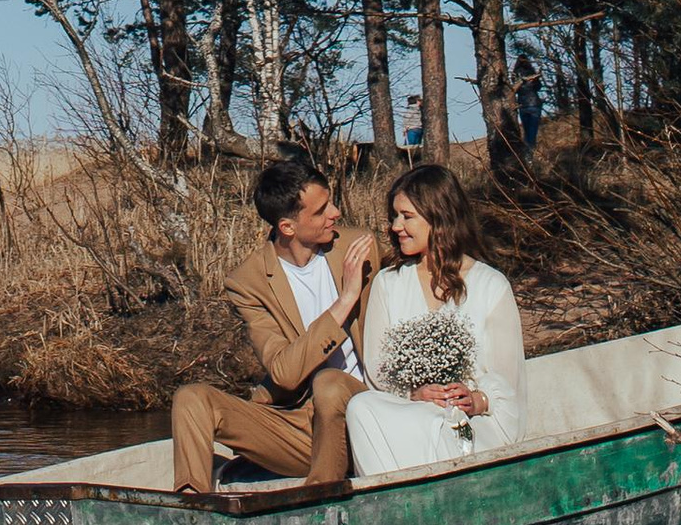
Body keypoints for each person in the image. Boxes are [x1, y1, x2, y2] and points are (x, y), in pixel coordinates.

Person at [169, 154, 374, 496]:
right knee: (191, 398)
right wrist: (345, 301)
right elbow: (284, 373)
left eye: (331, 202)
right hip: (301, 427)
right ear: (288, 227)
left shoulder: (360, 247)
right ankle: (193, 509)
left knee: (330, 383)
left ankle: (319, 500)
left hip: (364, 412)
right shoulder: (248, 282)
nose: (335, 213)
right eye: (322, 210)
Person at [345, 160, 525, 477]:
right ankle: (392, 500)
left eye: (407, 216)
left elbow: (509, 384)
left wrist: (475, 400)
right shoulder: (389, 284)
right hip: (408, 414)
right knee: (361, 408)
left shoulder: (491, 286)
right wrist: (414, 393)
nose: (395, 226)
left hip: (472, 424)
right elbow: (377, 371)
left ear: (438, 217)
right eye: (394, 216)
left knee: (442, 423)